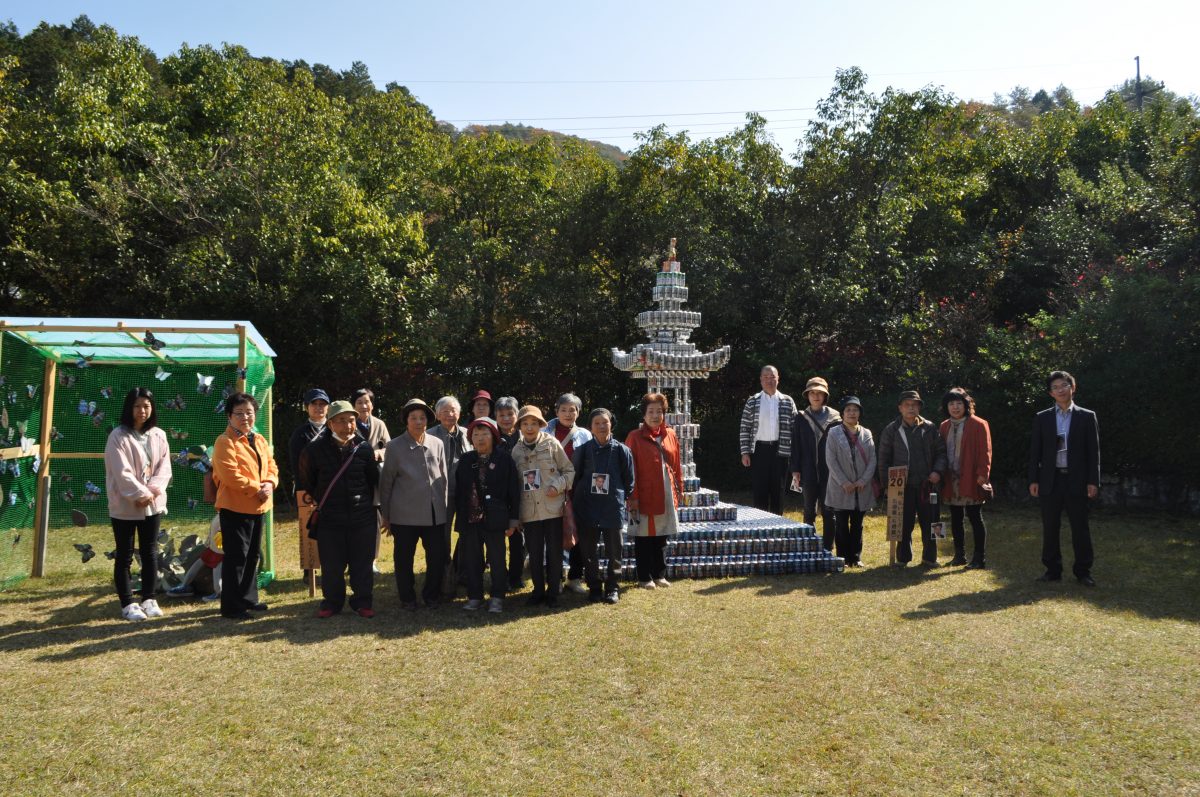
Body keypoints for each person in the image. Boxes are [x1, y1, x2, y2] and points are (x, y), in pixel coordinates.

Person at [298, 400, 380, 618]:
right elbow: (307, 479)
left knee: (362, 562)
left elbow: (373, 479)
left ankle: (363, 602)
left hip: (362, 516)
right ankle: (332, 603)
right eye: (342, 421)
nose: (348, 425)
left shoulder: (363, 449)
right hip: (330, 518)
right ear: (331, 424)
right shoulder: (314, 449)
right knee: (332, 564)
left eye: (352, 420)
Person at [104, 387, 172, 621]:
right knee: (124, 553)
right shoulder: (117, 436)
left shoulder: (159, 435)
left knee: (150, 551)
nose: (142, 411)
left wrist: (152, 492)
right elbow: (121, 471)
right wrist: (140, 493)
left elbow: (164, 467)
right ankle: (127, 604)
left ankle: (149, 598)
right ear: (129, 408)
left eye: (146, 406)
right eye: (137, 406)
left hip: (152, 503)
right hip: (125, 504)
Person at [212, 392, 279, 619]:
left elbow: (272, 466)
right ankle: (232, 606)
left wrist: (269, 484)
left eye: (249, 412)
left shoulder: (258, 439)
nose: (245, 417)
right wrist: (256, 488)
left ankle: (249, 598)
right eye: (239, 413)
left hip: (258, 507)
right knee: (236, 557)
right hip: (234, 508)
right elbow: (230, 475)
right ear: (229, 417)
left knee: (252, 556)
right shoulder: (224, 441)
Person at [1029, 371, 1099, 586]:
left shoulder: (1087, 416)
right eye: (1056, 387)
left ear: (1072, 387)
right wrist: (1033, 479)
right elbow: (1035, 451)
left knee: (1080, 527)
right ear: (1051, 393)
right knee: (1050, 527)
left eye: (1064, 385)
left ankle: (1083, 571)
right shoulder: (1042, 417)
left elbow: (1093, 452)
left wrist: (1093, 481)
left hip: (1076, 480)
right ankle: (1052, 570)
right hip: (1051, 480)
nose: (1060, 390)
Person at [380, 398, 449, 610]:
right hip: (404, 515)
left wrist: (443, 509)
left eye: (422, 418)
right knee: (403, 559)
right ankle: (407, 598)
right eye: (413, 418)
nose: (418, 422)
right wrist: (386, 515)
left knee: (436, 558)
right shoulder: (394, 446)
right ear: (406, 421)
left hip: (434, 513)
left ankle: (431, 595)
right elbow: (387, 483)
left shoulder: (437, 443)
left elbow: (444, 478)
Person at [509, 405, 574, 608]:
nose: (529, 428)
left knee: (554, 552)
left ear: (540, 425)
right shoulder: (516, 452)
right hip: (529, 512)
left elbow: (569, 471)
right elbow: (514, 486)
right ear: (519, 426)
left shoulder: (551, 444)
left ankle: (553, 591)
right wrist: (516, 515)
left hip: (552, 508)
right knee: (535, 553)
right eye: (525, 424)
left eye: (534, 423)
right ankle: (538, 591)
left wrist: (558, 485)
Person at [454, 417, 521, 613]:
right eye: (476, 435)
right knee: (473, 560)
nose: (480, 439)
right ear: (470, 438)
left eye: (485, 434)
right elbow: (459, 493)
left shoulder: (504, 459)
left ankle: (497, 596)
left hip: (496, 518)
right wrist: (460, 520)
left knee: (498, 559)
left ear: (493, 436)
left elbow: (513, 492)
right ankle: (475, 596)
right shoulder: (466, 460)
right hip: (471, 519)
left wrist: (513, 520)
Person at [876, 390, 947, 568]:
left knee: (933, 522)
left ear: (919, 407)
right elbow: (883, 459)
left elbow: (941, 453)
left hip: (928, 485)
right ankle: (902, 558)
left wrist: (938, 472)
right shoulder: (891, 429)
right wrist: (887, 486)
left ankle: (931, 558)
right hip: (902, 486)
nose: (910, 408)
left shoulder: (930, 427)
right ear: (900, 408)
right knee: (902, 523)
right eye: (907, 404)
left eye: (914, 404)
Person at [572, 408, 634, 604]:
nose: (601, 426)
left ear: (611, 424)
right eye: (596, 423)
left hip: (612, 507)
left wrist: (621, 496)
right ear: (590, 427)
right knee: (589, 552)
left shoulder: (622, 450)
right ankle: (594, 587)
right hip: (587, 507)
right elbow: (575, 477)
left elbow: (629, 480)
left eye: (604, 422)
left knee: (614, 550)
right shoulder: (583, 450)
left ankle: (612, 587)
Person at [626, 392, 683, 589]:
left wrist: (679, 491)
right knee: (644, 536)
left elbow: (677, 465)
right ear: (643, 414)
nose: (655, 415)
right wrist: (632, 496)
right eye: (651, 411)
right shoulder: (634, 437)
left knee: (662, 535)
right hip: (643, 492)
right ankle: (644, 577)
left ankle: (660, 574)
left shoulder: (671, 434)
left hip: (666, 490)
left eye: (659, 411)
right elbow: (629, 469)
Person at [544, 392, 592, 594]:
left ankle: (574, 577)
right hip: (552, 490)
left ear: (578, 413)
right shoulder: (544, 431)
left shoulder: (585, 435)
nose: (567, 413)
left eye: (572, 410)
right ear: (556, 411)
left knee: (578, 536)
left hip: (577, 491)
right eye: (563, 409)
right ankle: (555, 579)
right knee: (553, 535)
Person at [939, 388, 992, 569]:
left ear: (966, 405)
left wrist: (982, 476)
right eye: (951, 404)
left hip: (971, 477)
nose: (955, 407)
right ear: (947, 406)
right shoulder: (944, 425)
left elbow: (986, 452)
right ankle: (959, 555)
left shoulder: (979, 424)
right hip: (950, 478)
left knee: (975, 516)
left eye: (959, 403)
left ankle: (979, 558)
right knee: (955, 517)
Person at [823, 397, 875, 567]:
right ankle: (843, 557)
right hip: (840, 487)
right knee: (842, 524)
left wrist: (863, 480)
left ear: (860, 413)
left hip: (861, 487)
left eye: (855, 410)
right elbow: (831, 460)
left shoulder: (866, 433)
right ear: (843, 414)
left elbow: (873, 460)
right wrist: (844, 482)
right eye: (848, 410)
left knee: (858, 524)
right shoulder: (834, 432)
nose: (852, 413)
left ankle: (856, 557)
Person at [790, 376, 842, 547]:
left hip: (830, 471)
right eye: (812, 393)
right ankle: (809, 546)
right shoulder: (801, 417)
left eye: (820, 393)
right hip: (807, 469)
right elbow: (795, 445)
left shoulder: (836, 418)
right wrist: (795, 469)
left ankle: (828, 546)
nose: (816, 396)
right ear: (807, 395)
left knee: (829, 511)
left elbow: (840, 447)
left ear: (825, 395)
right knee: (808, 511)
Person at [738, 365, 797, 514]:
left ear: (778, 379)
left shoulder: (787, 401)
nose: (769, 380)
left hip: (781, 450)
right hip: (759, 450)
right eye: (765, 377)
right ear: (760, 380)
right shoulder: (753, 401)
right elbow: (745, 427)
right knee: (760, 490)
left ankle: (777, 526)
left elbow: (795, 428)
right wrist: (745, 452)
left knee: (779, 491)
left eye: (772, 377)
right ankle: (760, 526)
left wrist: (795, 454)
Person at [431, 395, 472, 597]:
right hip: (441, 494)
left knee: (467, 534)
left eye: (453, 410)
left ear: (460, 413)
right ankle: (445, 579)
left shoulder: (467, 434)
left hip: (465, 495)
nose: (450, 414)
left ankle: (462, 572)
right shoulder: (429, 436)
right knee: (442, 537)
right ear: (437, 415)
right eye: (445, 411)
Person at [351, 387, 391, 570]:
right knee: (354, 520)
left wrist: (379, 453)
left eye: (366, 402)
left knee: (375, 520)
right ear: (353, 405)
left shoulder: (379, 424)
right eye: (359, 402)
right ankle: (353, 560)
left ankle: (372, 561)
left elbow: (389, 448)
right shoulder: (348, 423)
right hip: (354, 478)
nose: (363, 405)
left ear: (372, 405)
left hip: (375, 479)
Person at [493, 395, 524, 585]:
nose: (506, 418)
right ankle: (500, 576)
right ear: (495, 416)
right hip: (498, 495)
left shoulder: (526, 434)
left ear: (517, 414)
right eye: (501, 414)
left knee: (518, 539)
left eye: (510, 414)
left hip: (522, 493)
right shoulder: (491, 435)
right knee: (497, 540)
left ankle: (516, 576)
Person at [166, 516, 223, 601]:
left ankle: (219, 593)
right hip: (213, 548)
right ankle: (184, 586)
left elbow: (221, 532)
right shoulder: (219, 513)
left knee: (217, 567)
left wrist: (219, 549)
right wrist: (209, 544)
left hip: (219, 551)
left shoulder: (226, 514)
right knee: (199, 562)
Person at [287, 388, 330, 483]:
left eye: (322, 404)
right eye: (314, 403)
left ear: (328, 407)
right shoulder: (299, 434)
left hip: (332, 484)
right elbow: (296, 465)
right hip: (309, 484)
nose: (318, 407)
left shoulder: (335, 429)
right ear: (306, 407)